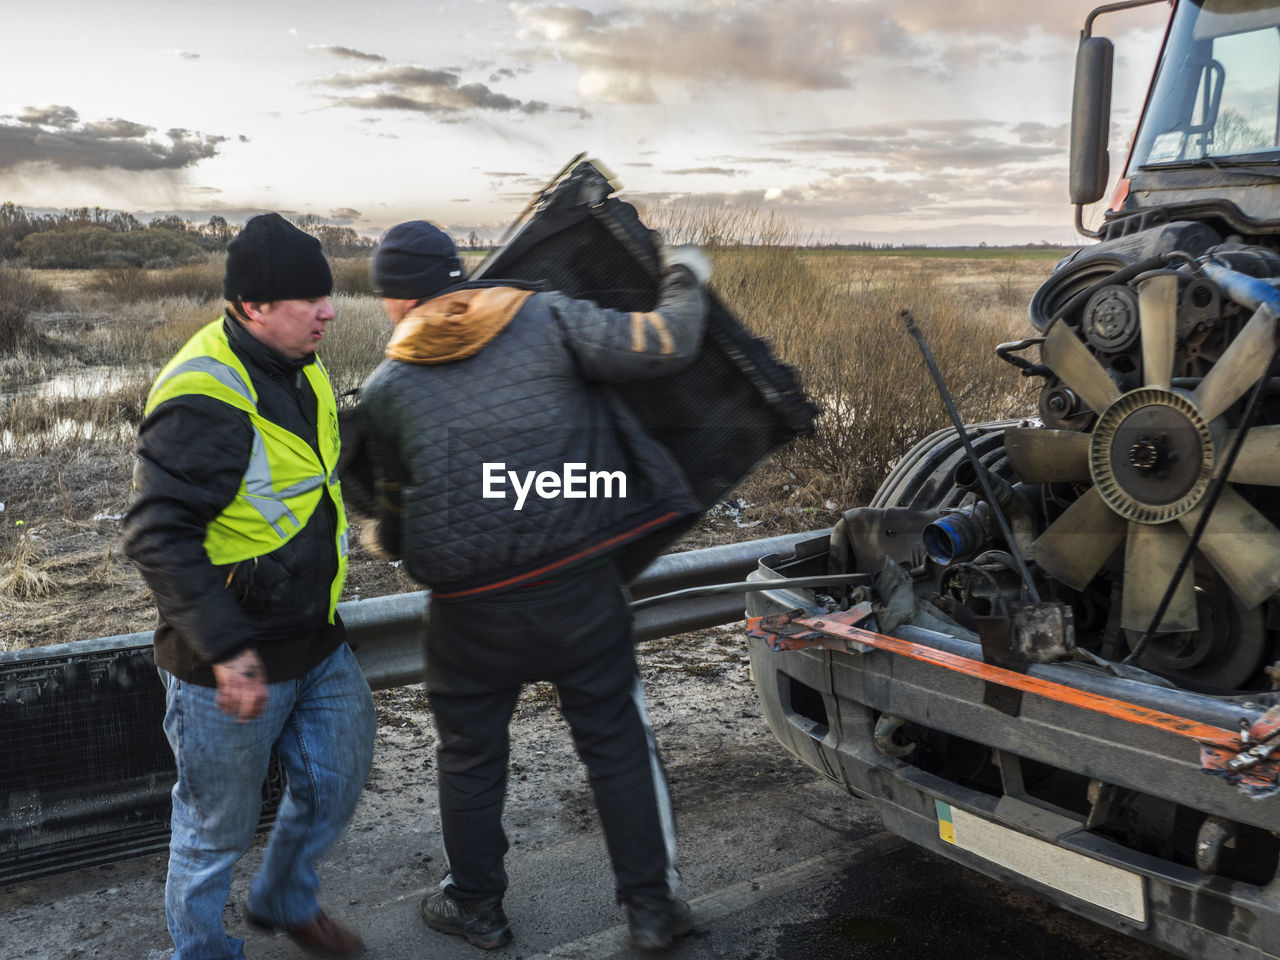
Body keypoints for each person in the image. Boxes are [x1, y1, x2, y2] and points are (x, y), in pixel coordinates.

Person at [352, 220, 711, 952]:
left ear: (397, 298)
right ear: (457, 278)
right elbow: (665, 343)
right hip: (578, 586)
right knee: (614, 741)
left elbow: (394, 515)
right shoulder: (544, 315)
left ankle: (475, 906)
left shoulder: (387, 387)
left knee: (470, 756)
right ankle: (651, 909)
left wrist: (386, 534)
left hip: (468, 613)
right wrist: (685, 277)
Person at [123, 212, 376, 960]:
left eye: (328, 295)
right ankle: (200, 953)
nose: (330, 310)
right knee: (212, 833)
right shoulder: (205, 397)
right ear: (253, 307)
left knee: (337, 782)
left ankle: (285, 896)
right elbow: (155, 535)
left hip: (315, 638)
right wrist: (228, 649)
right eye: (311, 299)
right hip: (224, 662)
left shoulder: (302, 365)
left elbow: (314, 476)